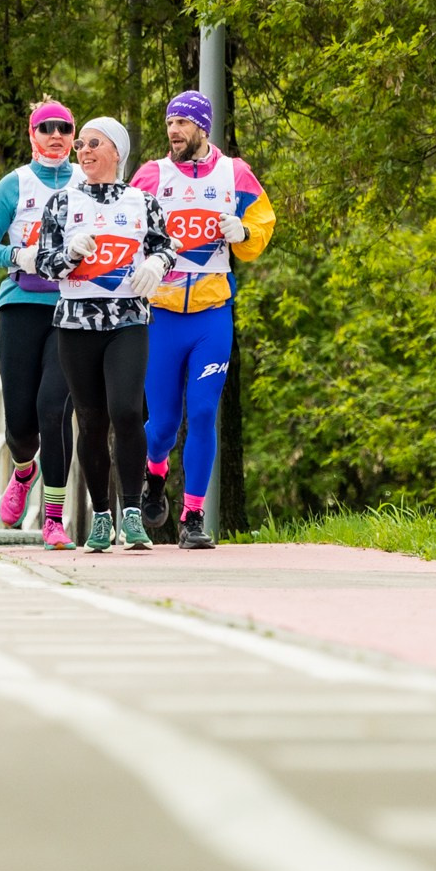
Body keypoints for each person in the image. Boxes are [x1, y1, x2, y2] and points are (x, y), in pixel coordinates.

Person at [132, 90, 277, 550]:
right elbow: (124, 226)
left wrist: (244, 231)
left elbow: (263, 223)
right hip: (162, 315)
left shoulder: (235, 173)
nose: (173, 131)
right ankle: (155, 474)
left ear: (202, 127)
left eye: (181, 122)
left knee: (202, 412)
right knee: (162, 425)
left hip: (211, 315)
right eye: (168, 123)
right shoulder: (152, 175)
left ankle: (192, 516)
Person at [31, 116, 172, 552]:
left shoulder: (142, 202)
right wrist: (69, 255)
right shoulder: (62, 203)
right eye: (81, 146)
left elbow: (166, 247)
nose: (85, 151)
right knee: (91, 421)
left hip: (128, 319)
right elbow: (44, 264)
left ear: (116, 152)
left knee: (127, 411)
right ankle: (101, 516)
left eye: (94, 144)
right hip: (76, 323)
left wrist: (157, 264)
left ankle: (132, 515)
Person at [0, 99, 83, 549]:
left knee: (54, 410)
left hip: (72, 308)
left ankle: (53, 518)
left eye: (64, 128)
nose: (56, 135)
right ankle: (22, 470)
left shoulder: (87, 183)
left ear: (73, 137)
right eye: (46, 127)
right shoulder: (15, 184)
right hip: (21, 304)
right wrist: (19, 255)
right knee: (20, 422)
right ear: (32, 135)